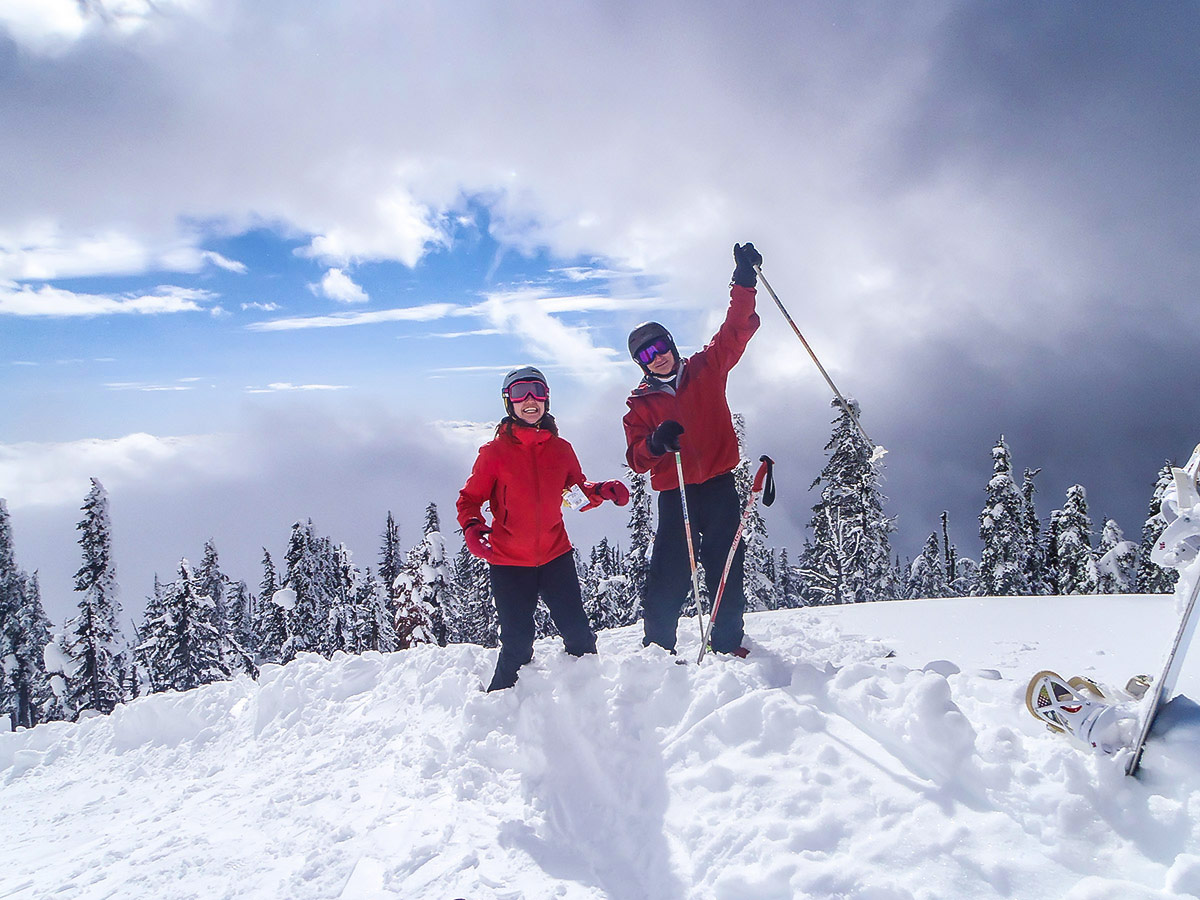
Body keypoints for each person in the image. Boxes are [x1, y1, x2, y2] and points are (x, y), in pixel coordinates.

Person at [623, 242, 762, 657]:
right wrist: (654, 443)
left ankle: (726, 644)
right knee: (670, 573)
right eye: (647, 355)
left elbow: (735, 331)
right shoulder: (640, 406)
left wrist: (743, 281)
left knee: (727, 566)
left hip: (719, 486)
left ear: (671, 345)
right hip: (676, 493)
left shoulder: (706, 368)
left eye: (660, 347)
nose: (658, 357)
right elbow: (635, 458)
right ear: (641, 364)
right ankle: (657, 649)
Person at [457, 365, 630, 691]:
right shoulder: (493, 454)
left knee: (579, 635)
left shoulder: (560, 449)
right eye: (521, 393)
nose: (530, 400)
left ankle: (587, 697)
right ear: (509, 402)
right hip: (509, 562)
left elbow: (575, 493)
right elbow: (469, 500)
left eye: (537, 391)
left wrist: (602, 491)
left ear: (547, 399)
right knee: (518, 645)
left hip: (555, 556)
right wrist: (472, 529)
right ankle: (498, 706)